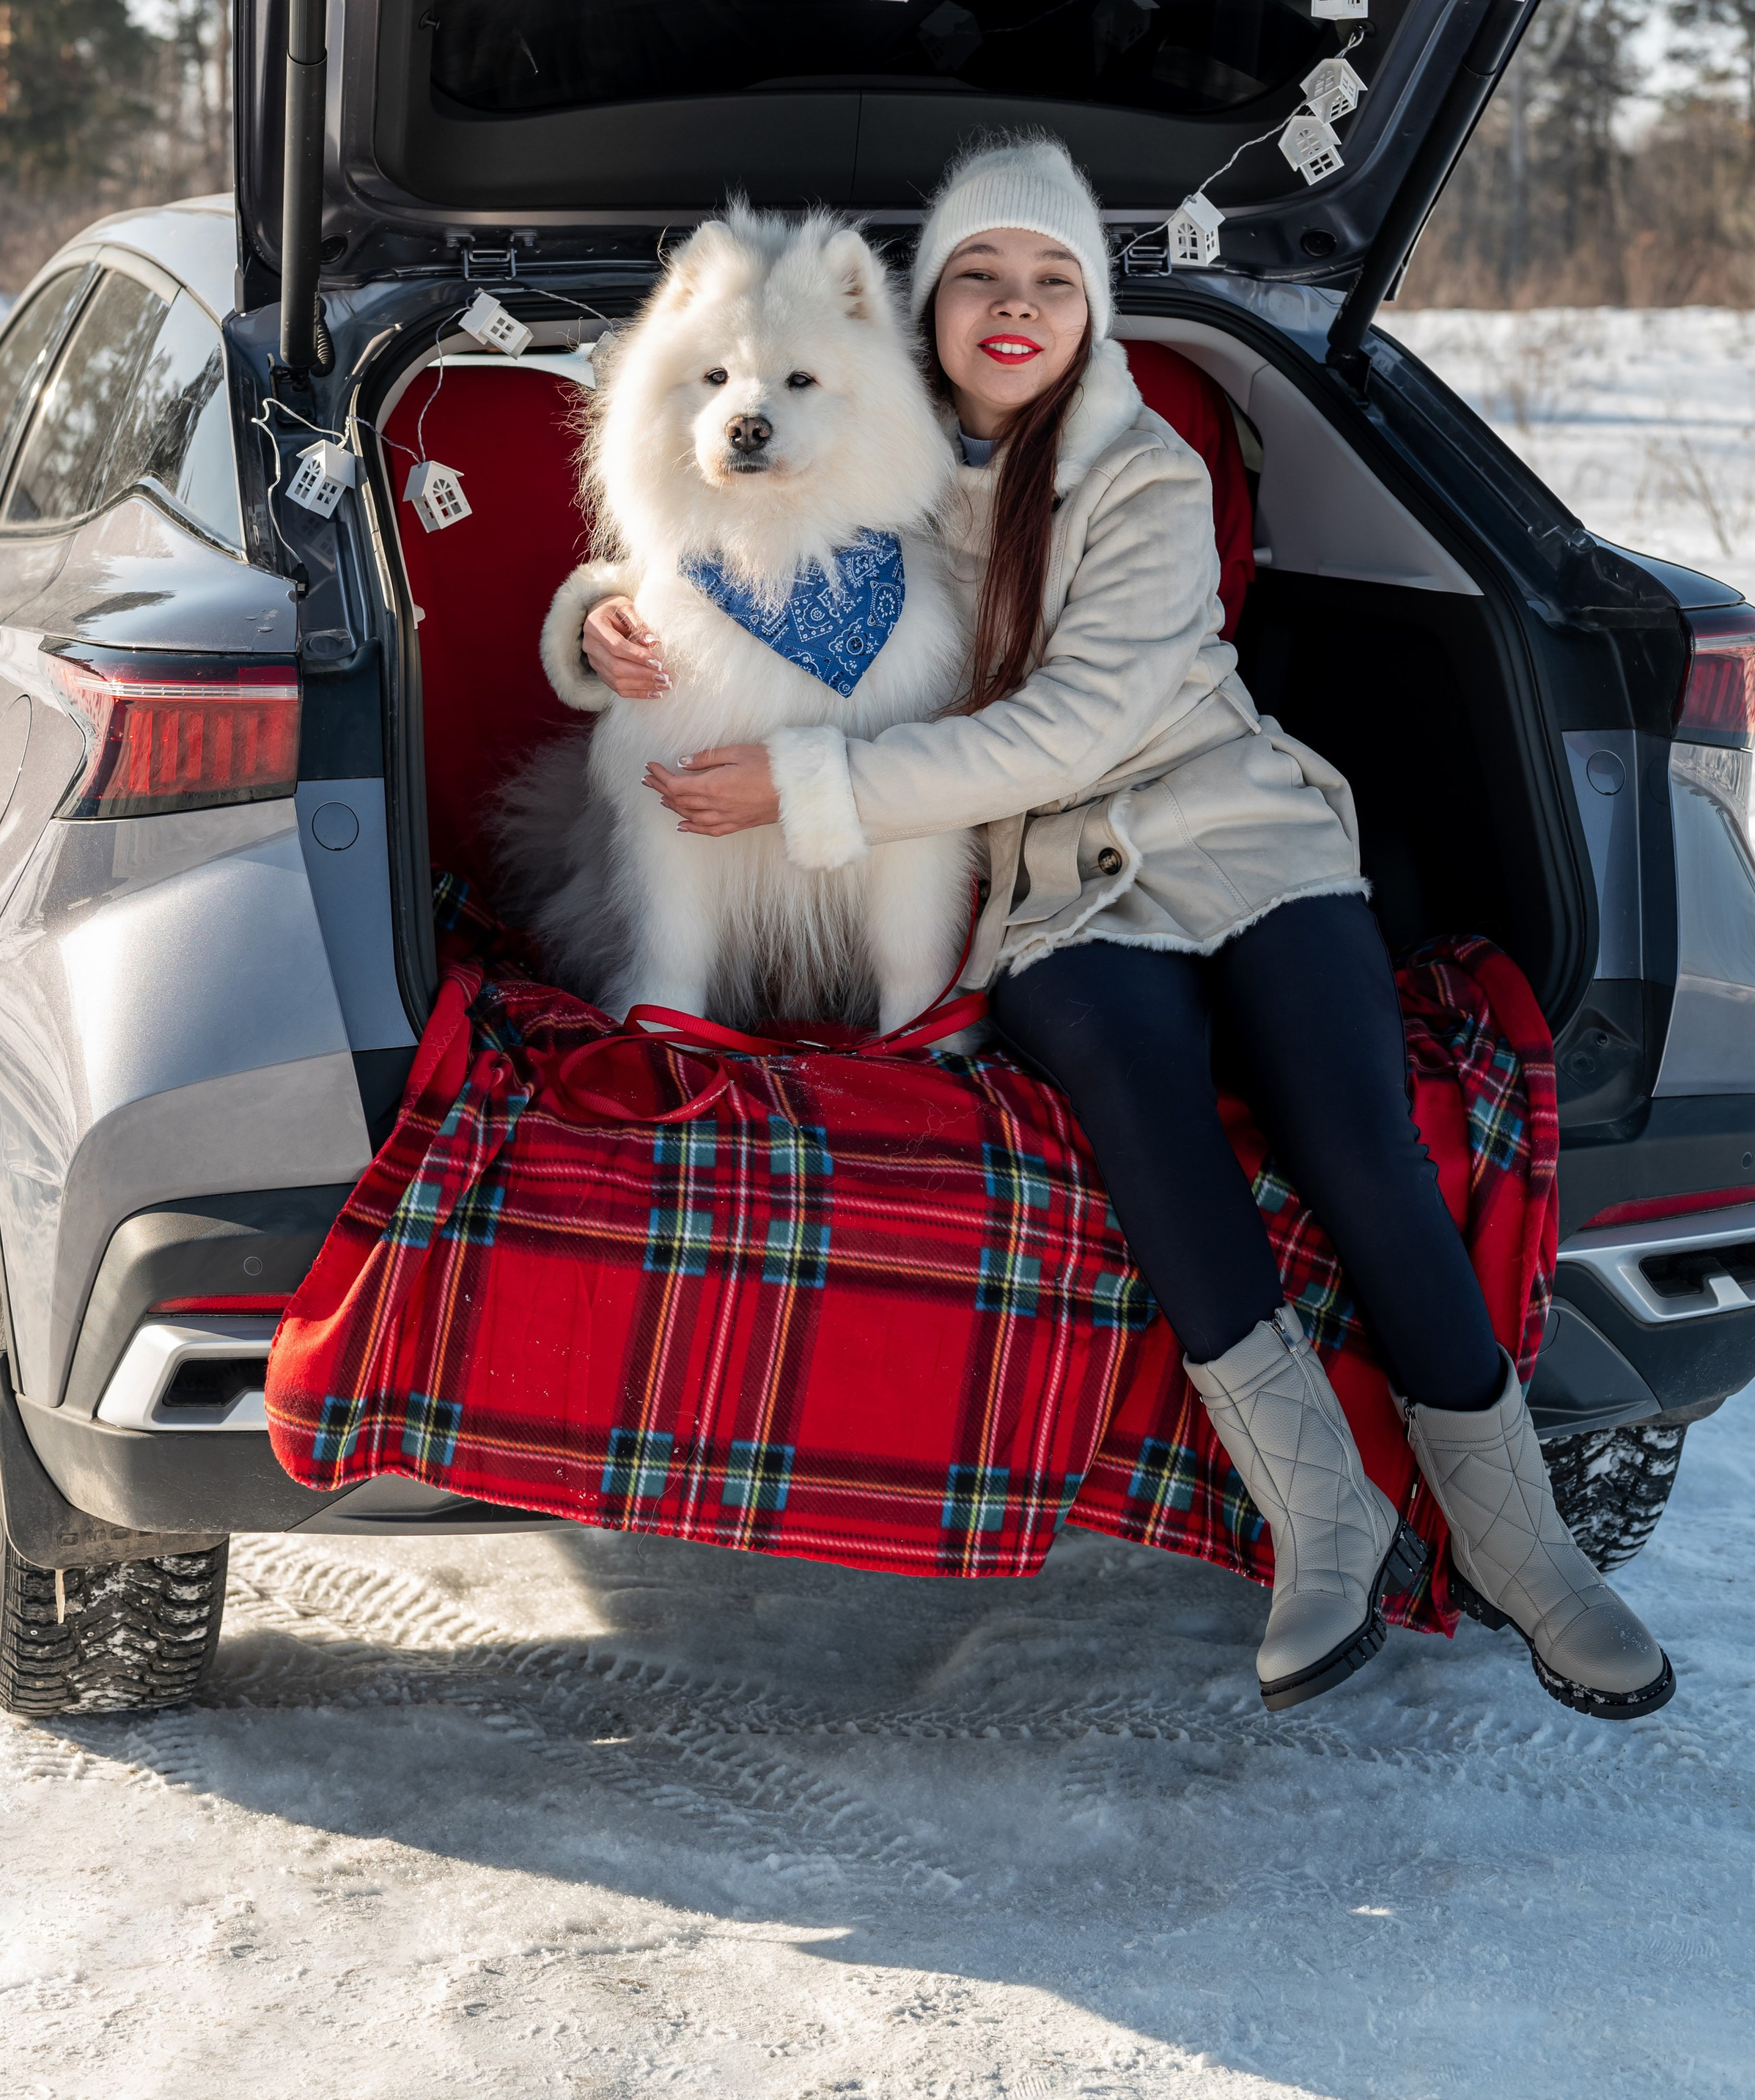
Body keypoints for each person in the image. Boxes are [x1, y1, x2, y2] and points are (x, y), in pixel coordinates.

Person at [570, 138, 1672, 1723]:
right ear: (927, 310)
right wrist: (594, 618)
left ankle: (1522, 1543)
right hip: (1050, 883)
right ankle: (1320, 1515)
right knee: (1132, 1093)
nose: (1012, 309)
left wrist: (811, 786)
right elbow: (706, 563)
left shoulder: (1141, 471)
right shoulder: (867, 453)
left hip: (1233, 833)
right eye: (978, 280)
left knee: (1350, 1122)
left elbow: (1075, 725)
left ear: (1089, 309)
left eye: (1051, 281)